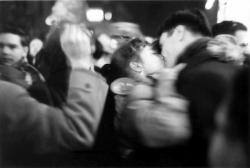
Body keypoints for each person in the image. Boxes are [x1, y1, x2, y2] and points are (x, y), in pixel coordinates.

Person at [0, 23, 108, 167]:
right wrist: (80, 64)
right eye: (1, 46)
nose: (5, 51)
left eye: (12, 46)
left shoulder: (97, 81)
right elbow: (75, 133)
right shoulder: (24, 91)